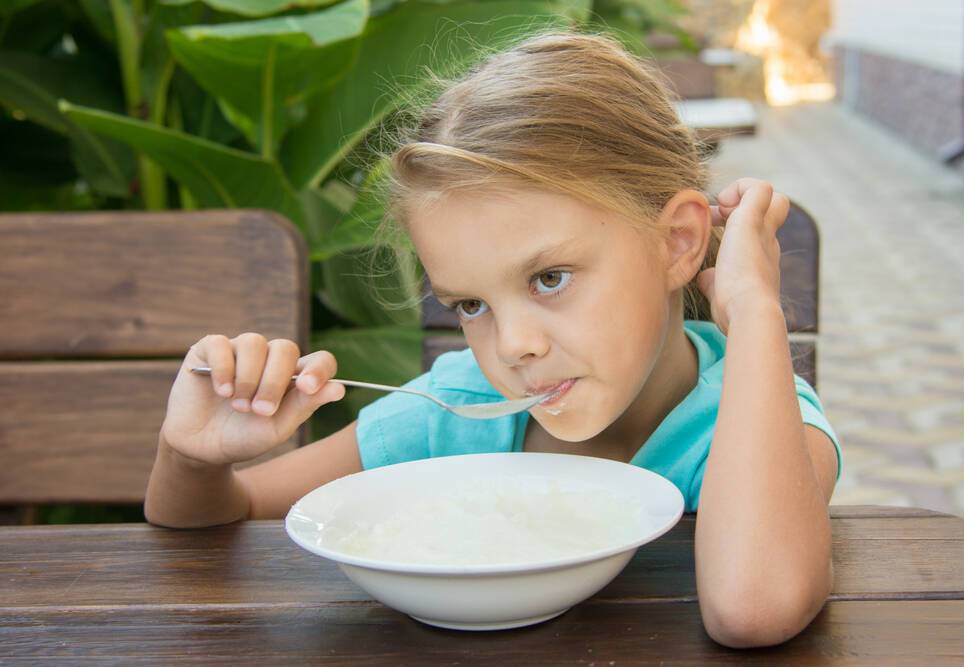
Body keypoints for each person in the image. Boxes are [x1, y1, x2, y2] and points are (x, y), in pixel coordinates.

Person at [144, 31, 842, 648]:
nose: (512, 346)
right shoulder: (454, 409)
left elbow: (754, 608)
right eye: (470, 302)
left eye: (550, 278)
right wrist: (194, 458)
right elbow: (217, 518)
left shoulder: (752, 418)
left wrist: (754, 312)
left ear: (678, 241)